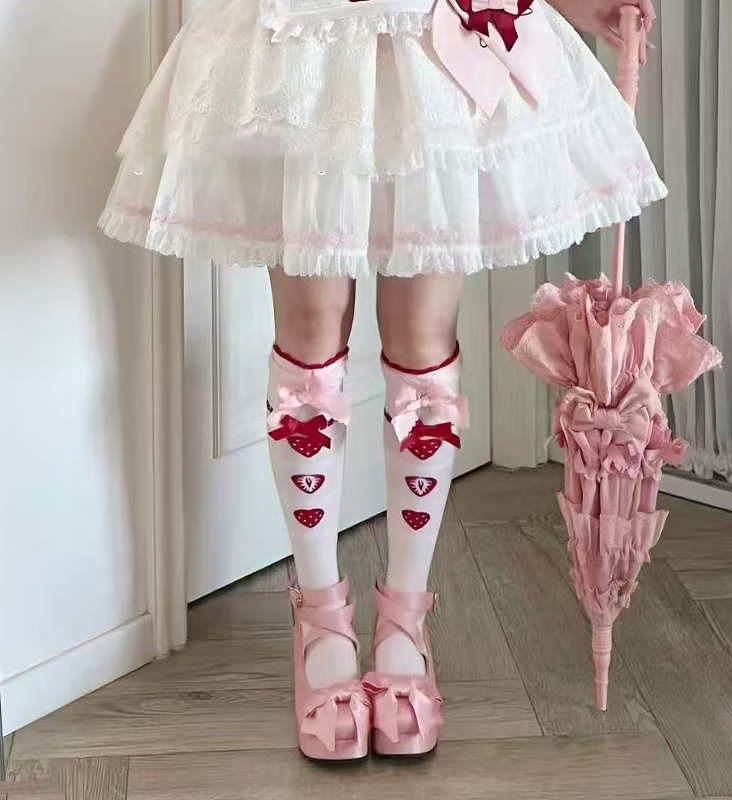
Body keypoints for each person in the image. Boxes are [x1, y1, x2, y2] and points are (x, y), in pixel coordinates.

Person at [100, 0, 664, 761]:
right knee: (309, 332)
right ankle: (319, 617)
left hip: (435, 49)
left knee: (423, 341)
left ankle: (405, 619)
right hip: (306, 42)